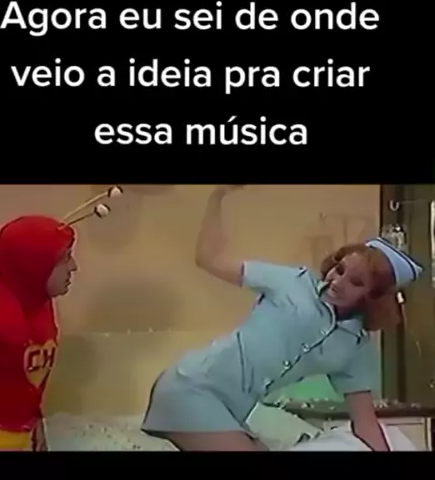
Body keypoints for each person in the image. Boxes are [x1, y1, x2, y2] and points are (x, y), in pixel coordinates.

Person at [142, 185, 424, 452]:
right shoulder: (292, 282)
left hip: (232, 410)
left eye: (356, 282)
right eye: (339, 269)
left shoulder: (355, 349)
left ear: (373, 297)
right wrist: (218, 195)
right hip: (191, 388)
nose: (336, 282)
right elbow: (209, 258)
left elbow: (365, 424)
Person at [0, 216, 78, 451]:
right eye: (65, 258)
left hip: (21, 438)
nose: (73, 267)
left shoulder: (42, 306)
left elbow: (22, 377)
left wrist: (35, 419)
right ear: (34, 265)